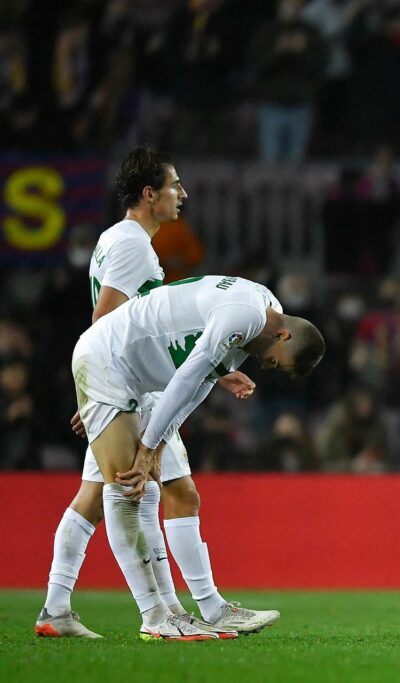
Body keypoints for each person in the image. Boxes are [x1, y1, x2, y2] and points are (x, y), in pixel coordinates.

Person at [36, 149, 277, 640]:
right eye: (175, 185)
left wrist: (216, 371)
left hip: (122, 379)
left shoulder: (115, 239)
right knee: (155, 491)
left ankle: (58, 608)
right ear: (150, 194)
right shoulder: (134, 247)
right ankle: (177, 614)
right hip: (127, 384)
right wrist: (99, 392)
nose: (182, 194)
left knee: (97, 497)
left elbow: (145, 327)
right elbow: (107, 322)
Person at [71, 274, 324, 640]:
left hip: (143, 377)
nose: (268, 367)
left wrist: (155, 445)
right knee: (127, 486)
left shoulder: (261, 315)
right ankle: (154, 616)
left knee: (168, 492)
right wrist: (147, 448)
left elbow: (202, 381)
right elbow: (190, 373)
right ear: (283, 336)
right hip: (109, 359)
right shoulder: (245, 316)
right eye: (277, 363)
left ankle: (191, 610)